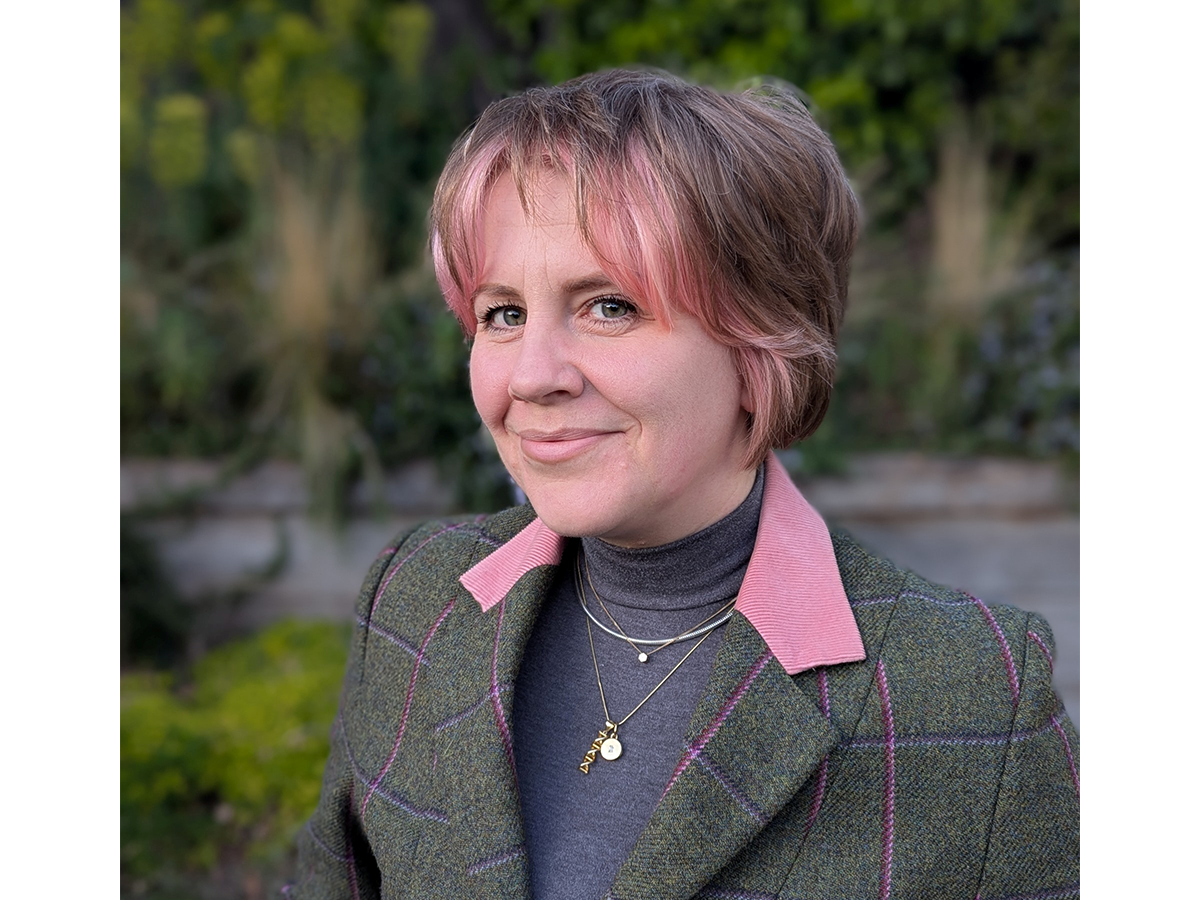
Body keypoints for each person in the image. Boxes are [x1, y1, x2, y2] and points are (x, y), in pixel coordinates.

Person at [286, 69, 1079, 900]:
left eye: (609, 307)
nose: (533, 376)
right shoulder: (416, 600)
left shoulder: (970, 692)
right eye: (504, 314)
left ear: (761, 340)